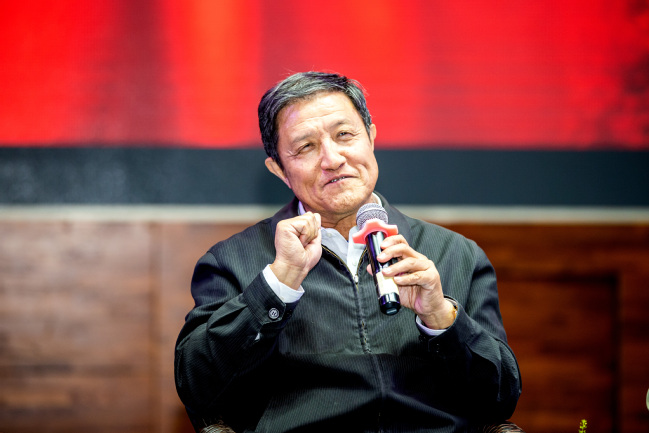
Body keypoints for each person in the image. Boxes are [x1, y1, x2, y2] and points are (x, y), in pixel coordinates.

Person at [174, 71, 522, 432]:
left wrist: (440, 317)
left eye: (344, 135)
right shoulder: (231, 262)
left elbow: (500, 397)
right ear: (279, 169)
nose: (332, 159)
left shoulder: (455, 254)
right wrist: (277, 286)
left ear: (371, 136)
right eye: (306, 147)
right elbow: (199, 390)